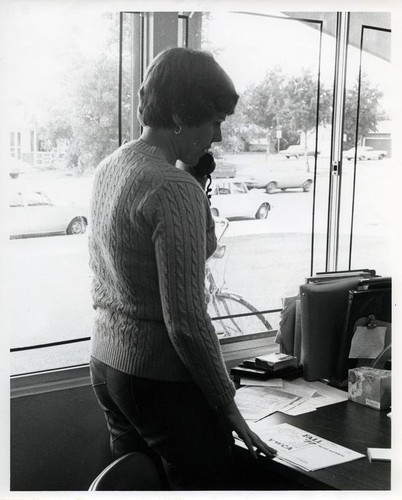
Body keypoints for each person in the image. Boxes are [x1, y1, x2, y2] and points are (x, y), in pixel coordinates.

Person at [88, 46, 276, 491]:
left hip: (107, 365)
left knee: (138, 485)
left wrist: (197, 184)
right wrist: (225, 402)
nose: (217, 137)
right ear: (181, 113)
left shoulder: (112, 166)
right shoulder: (171, 187)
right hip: (157, 378)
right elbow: (188, 320)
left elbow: (201, 245)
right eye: (214, 121)